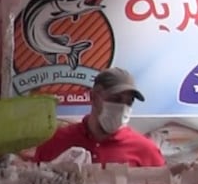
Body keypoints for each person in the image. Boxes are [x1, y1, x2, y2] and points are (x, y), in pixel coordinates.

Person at [32, 68, 165, 167]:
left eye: (129, 102)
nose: (123, 107)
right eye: (115, 99)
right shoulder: (56, 141)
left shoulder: (146, 150)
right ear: (94, 97)